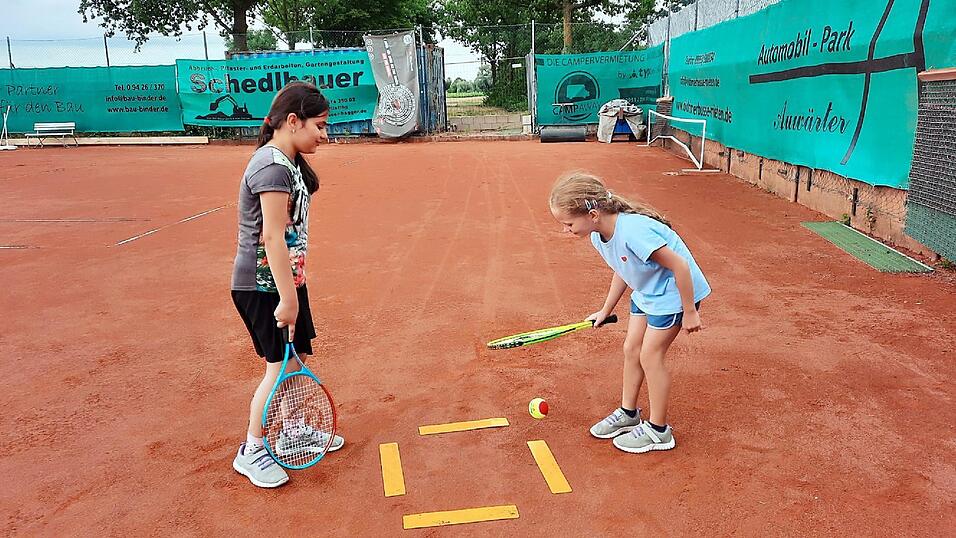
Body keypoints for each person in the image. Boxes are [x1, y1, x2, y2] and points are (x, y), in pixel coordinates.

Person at [549, 171, 711, 453]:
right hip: (647, 290)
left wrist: (690, 312)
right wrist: (604, 310)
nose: (566, 229)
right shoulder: (599, 236)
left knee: (651, 355)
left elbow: (680, 266)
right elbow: (623, 270)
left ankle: (659, 432)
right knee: (631, 349)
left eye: (568, 223)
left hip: (673, 294)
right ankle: (628, 413)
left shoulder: (633, 231)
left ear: (593, 214)